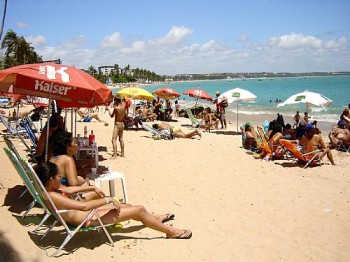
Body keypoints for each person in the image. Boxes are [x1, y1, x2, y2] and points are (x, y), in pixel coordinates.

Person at [35, 162, 192, 239]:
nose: (61, 178)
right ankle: (170, 232)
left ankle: (155, 219)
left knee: (127, 206)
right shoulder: (53, 196)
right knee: (138, 209)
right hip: (88, 218)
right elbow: (84, 207)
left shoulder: (48, 190)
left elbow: (69, 190)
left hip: (89, 214)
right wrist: (108, 200)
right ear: (50, 179)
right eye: (58, 177)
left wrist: (90, 188)